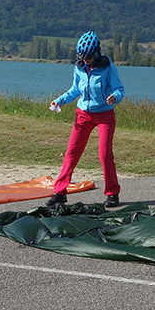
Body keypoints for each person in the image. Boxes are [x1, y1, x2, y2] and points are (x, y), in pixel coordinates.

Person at [47, 31, 124, 209]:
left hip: (105, 115)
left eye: (88, 57)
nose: (85, 60)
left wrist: (115, 97)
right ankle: (59, 193)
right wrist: (59, 100)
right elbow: (75, 90)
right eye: (82, 57)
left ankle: (112, 194)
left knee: (105, 155)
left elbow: (119, 88)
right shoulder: (79, 67)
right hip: (83, 114)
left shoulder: (108, 67)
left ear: (96, 53)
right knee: (72, 152)